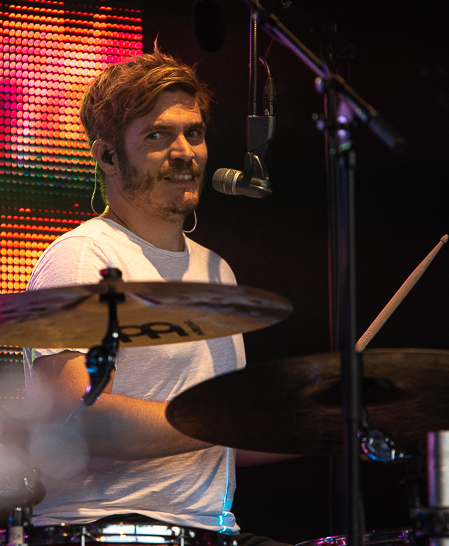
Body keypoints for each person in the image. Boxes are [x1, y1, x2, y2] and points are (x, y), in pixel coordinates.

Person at [22, 45, 289, 541]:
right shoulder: (84, 257)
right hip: (105, 528)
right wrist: (214, 420)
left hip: (209, 528)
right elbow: (78, 416)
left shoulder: (217, 271)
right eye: (158, 136)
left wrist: (327, 425)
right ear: (107, 155)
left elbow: (222, 437)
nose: (185, 151)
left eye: (194, 134)